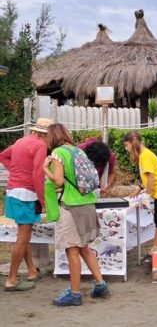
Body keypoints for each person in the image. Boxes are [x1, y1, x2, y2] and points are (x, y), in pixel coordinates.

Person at [42, 123, 109, 306]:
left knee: (72, 250)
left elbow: (57, 180)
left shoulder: (58, 153)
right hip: (87, 203)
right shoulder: (78, 151)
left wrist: (45, 169)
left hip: (70, 206)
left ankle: (75, 294)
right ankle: (101, 285)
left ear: (52, 136)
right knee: (84, 248)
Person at [0, 118, 51, 291]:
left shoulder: (20, 141)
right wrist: (44, 201)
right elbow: (38, 175)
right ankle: (12, 279)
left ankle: (31, 271)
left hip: (13, 190)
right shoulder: (40, 146)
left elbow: (3, 156)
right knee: (22, 238)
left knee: (24, 235)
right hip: (27, 194)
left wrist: (15, 170)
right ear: (47, 134)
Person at [123, 131, 157, 249]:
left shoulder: (144, 156)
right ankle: (156, 248)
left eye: (127, 145)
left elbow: (152, 177)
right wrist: (140, 188)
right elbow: (150, 177)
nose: (126, 149)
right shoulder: (144, 154)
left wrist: (146, 195)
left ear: (133, 143)